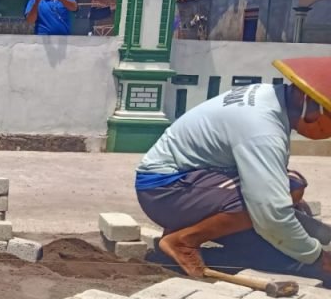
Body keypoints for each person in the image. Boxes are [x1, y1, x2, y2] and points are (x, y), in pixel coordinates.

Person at [135, 56, 331, 283]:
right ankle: (184, 241)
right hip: (165, 190)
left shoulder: (268, 96)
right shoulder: (262, 130)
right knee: (271, 203)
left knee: (289, 188)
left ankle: (183, 228)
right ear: (310, 103)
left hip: (185, 181)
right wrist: (317, 257)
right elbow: (272, 213)